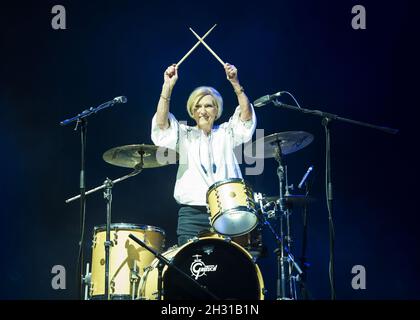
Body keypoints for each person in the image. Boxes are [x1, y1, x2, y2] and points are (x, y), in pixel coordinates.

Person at [151, 62, 256, 246]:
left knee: (228, 266)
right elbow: (161, 125)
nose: (203, 111)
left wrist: (235, 83)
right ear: (192, 111)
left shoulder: (226, 133)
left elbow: (246, 119)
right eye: (198, 106)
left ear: (217, 110)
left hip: (228, 211)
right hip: (191, 215)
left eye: (208, 106)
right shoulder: (184, 135)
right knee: (192, 268)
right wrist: (167, 88)